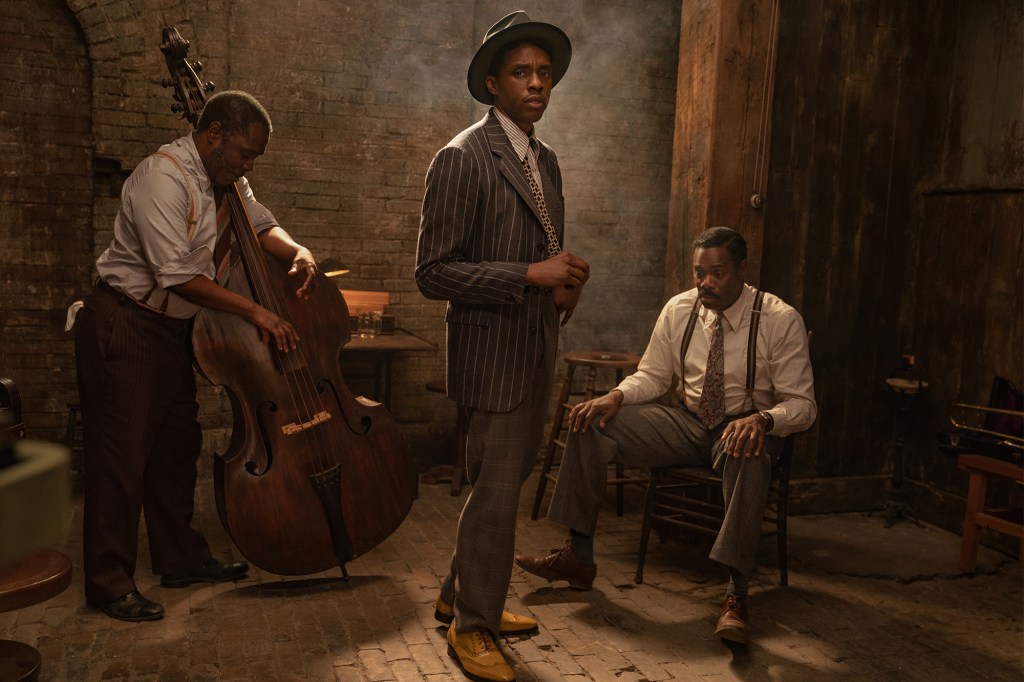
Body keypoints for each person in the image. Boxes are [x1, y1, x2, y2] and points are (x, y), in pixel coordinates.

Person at [73, 90, 318, 622]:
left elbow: (259, 222)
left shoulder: (226, 177)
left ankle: (180, 559)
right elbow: (178, 275)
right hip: (126, 322)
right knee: (121, 460)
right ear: (213, 137)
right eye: (245, 154)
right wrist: (257, 313)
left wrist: (298, 250)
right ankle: (108, 583)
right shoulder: (163, 178)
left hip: (169, 331)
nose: (249, 166)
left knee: (175, 446)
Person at [515, 226, 815, 645]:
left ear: (742, 270)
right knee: (590, 420)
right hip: (689, 423)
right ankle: (578, 556)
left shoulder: (779, 319)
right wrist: (616, 395)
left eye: (717, 273)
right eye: (699, 273)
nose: (705, 283)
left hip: (744, 430)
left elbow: (803, 405)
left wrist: (763, 420)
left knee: (746, 450)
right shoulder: (680, 309)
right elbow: (654, 375)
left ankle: (736, 594)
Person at [415, 11, 589, 682]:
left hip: (534, 343)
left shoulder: (542, 158)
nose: (537, 82)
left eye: (544, 72)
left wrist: (565, 279)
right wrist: (528, 276)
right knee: (495, 491)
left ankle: (460, 594)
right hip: (491, 353)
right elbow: (433, 273)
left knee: (501, 483)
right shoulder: (461, 157)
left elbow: (543, 250)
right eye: (521, 72)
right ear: (492, 84)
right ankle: (475, 626)